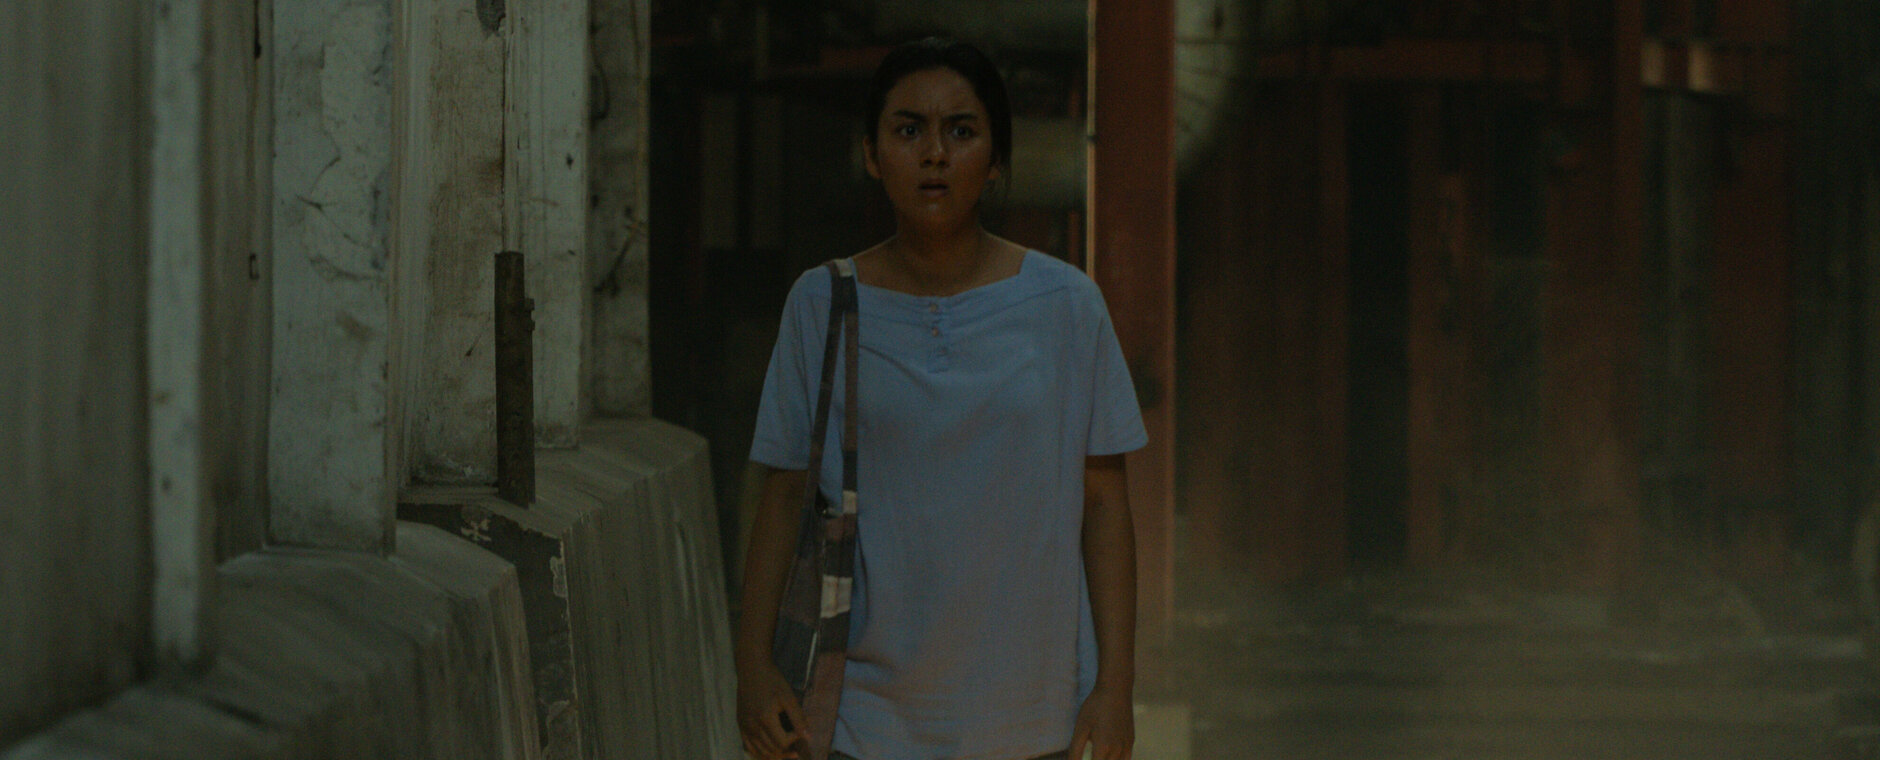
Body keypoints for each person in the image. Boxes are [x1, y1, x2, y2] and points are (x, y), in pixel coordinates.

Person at [736, 37, 1145, 760]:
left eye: (961, 131)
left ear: (996, 161)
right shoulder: (822, 303)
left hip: (1031, 718)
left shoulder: (1066, 305)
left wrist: (1115, 688)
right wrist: (752, 667)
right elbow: (783, 492)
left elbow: (1105, 502)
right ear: (872, 154)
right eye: (908, 130)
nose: (934, 154)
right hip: (861, 719)